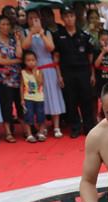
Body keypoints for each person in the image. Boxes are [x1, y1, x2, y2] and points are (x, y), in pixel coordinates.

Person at [21, 9, 65, 138]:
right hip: (33, 68)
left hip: (48, 67)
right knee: (39, 97)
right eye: (30, 18)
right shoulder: (25, 32)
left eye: (36, 18)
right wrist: (31, 33)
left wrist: (41, 34)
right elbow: (25, 46)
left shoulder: (46, 32)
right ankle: (43, 126)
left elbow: (51, 48)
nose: (33, 21)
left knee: (53, 95)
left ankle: (56, 126)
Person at [55, 6, 96, 138]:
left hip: (83, 71)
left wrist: (92, 74)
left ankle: (88, 126)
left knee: (86, 99)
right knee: (70, 101)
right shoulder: (58, 36)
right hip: (67, 72)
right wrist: (59, 75)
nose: (69, 19)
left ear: (75, 17)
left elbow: (90, 57)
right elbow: (56, 57)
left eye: (71, 16)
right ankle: (75, 127)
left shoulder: (84, 35)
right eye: (66, 16)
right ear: (62, 18)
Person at [0, 15, 20, 144]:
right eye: (3, 24)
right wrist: (15, 61)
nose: (6, 27)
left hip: (17, 78)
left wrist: (18, 41)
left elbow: (20, 55)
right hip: (3, 79)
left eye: (8, 24)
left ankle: (26, 129)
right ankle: (8, 131)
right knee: (6, 105)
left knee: (20, 103)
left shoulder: (13, 40)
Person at [20, 50, 46, 142]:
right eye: (28, 60)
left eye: (33, 60)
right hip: (28, 98)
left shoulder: (39, 71)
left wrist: (35, 73)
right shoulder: (23, 72)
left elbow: (40, 84)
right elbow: (22, 86)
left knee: (41, 116)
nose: (31, 62)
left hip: (39, 98)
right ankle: (29, 134)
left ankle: (41, 132)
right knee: (28, 116)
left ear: (36, 61)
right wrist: (22, 99)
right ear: (24, 62)